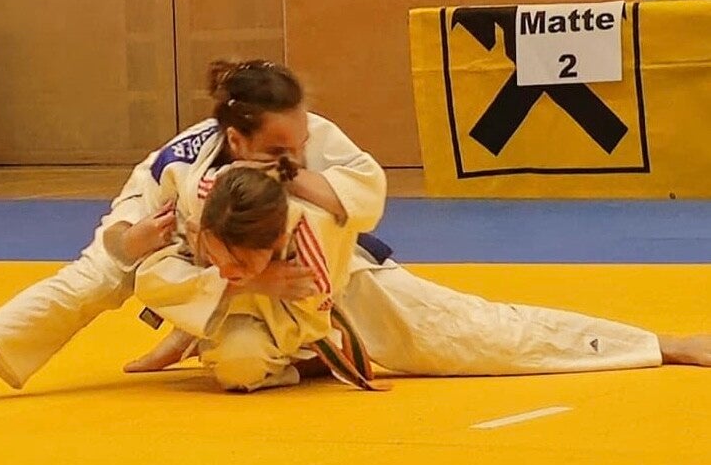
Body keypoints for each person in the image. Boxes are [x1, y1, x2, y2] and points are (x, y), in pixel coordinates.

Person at [0, 58, 386, 413]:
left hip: (325, 270)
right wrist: (137, 243)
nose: (295, 154)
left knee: (421, 338)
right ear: (236, 140)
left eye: (300, 145)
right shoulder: (179, 169)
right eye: (280, 150)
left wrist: (290, 176)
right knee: (82, 288)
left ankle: (216, 335)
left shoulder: (297, 128)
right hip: (184, 259)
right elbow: (119, 247)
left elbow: (366, 189)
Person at [132, 164, 711, 391]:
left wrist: (329, 347)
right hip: (244, 307)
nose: (227, 268)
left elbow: (312, 316)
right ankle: (205, 333)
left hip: (344, 293)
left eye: (245, 261)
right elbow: (149, 277)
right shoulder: (192, 195)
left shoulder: (313, 237)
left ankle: (662, 344)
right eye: (219, 254)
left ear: (274, 244)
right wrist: (244, 284)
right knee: (238, 365)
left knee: (483, 335)